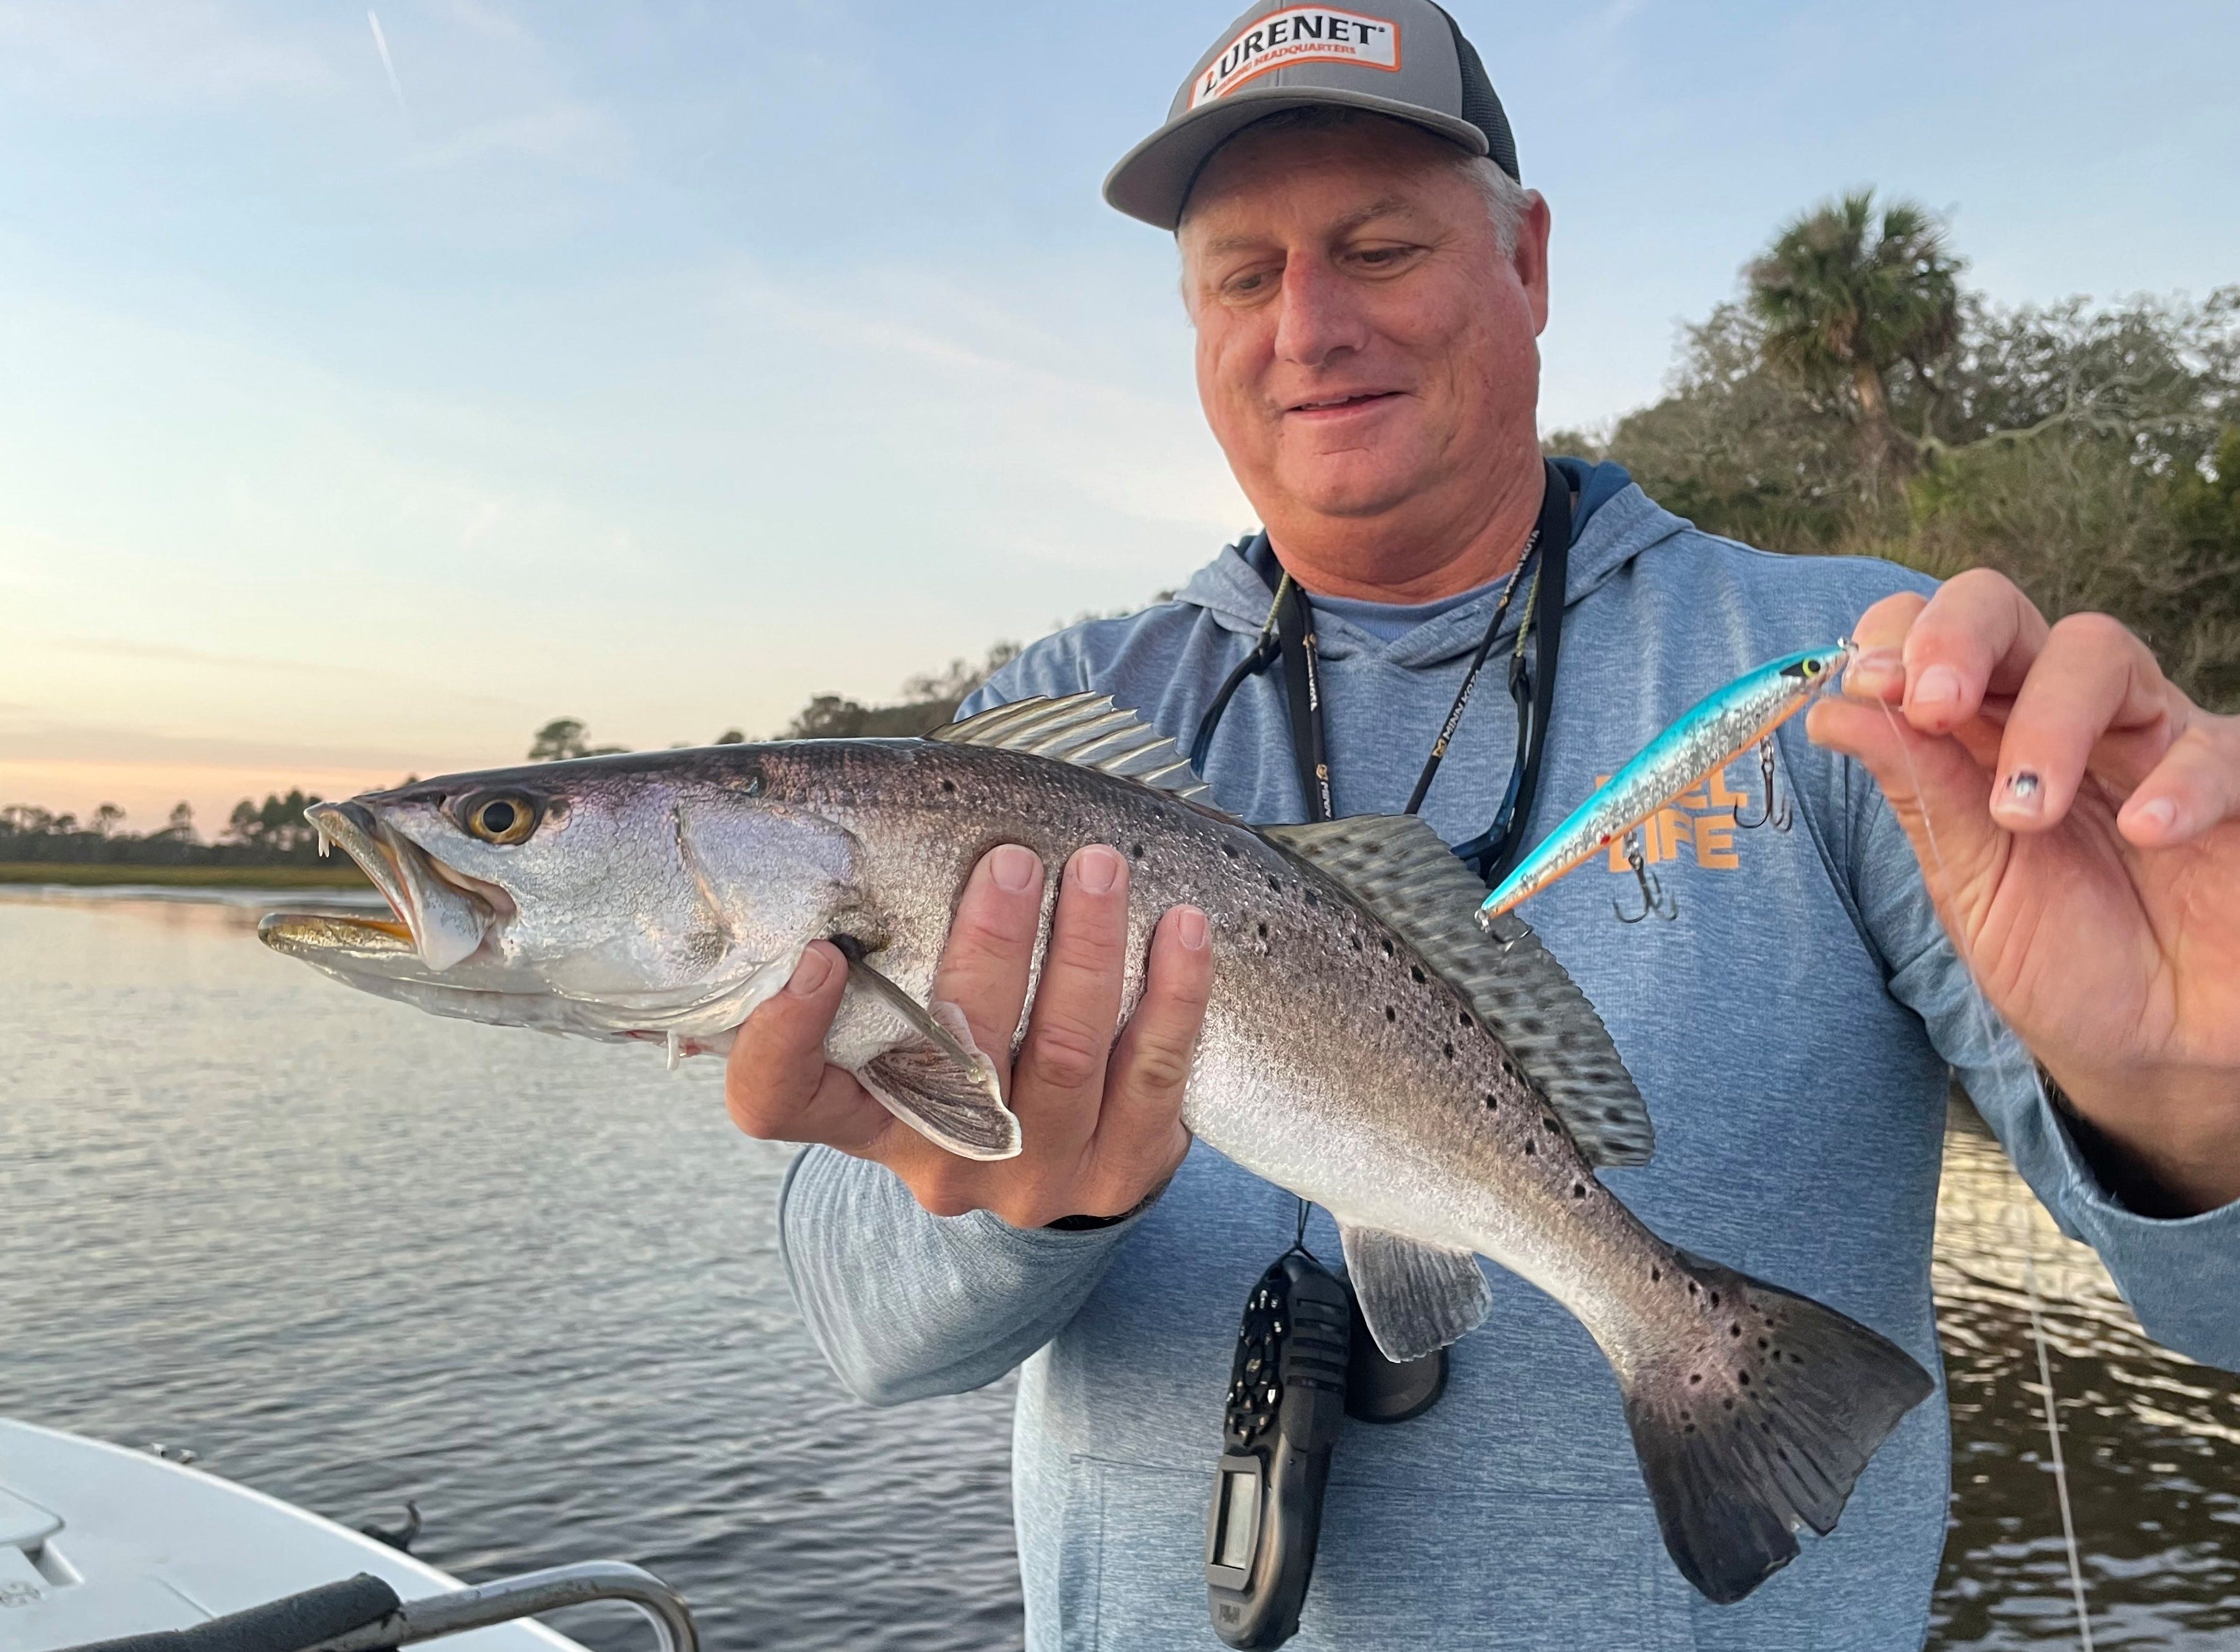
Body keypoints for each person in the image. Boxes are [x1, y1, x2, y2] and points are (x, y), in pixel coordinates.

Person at [725, 4, 2240, 1646]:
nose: (1307, 324)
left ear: (1526, 259)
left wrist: (2194, 1100)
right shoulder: (1044, 726)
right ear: (1192, 320)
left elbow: (2216, 1307)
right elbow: (863, 1332)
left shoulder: (1857, 681)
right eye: (1244, 274)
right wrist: (1029, 1193)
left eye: (1377, 246)